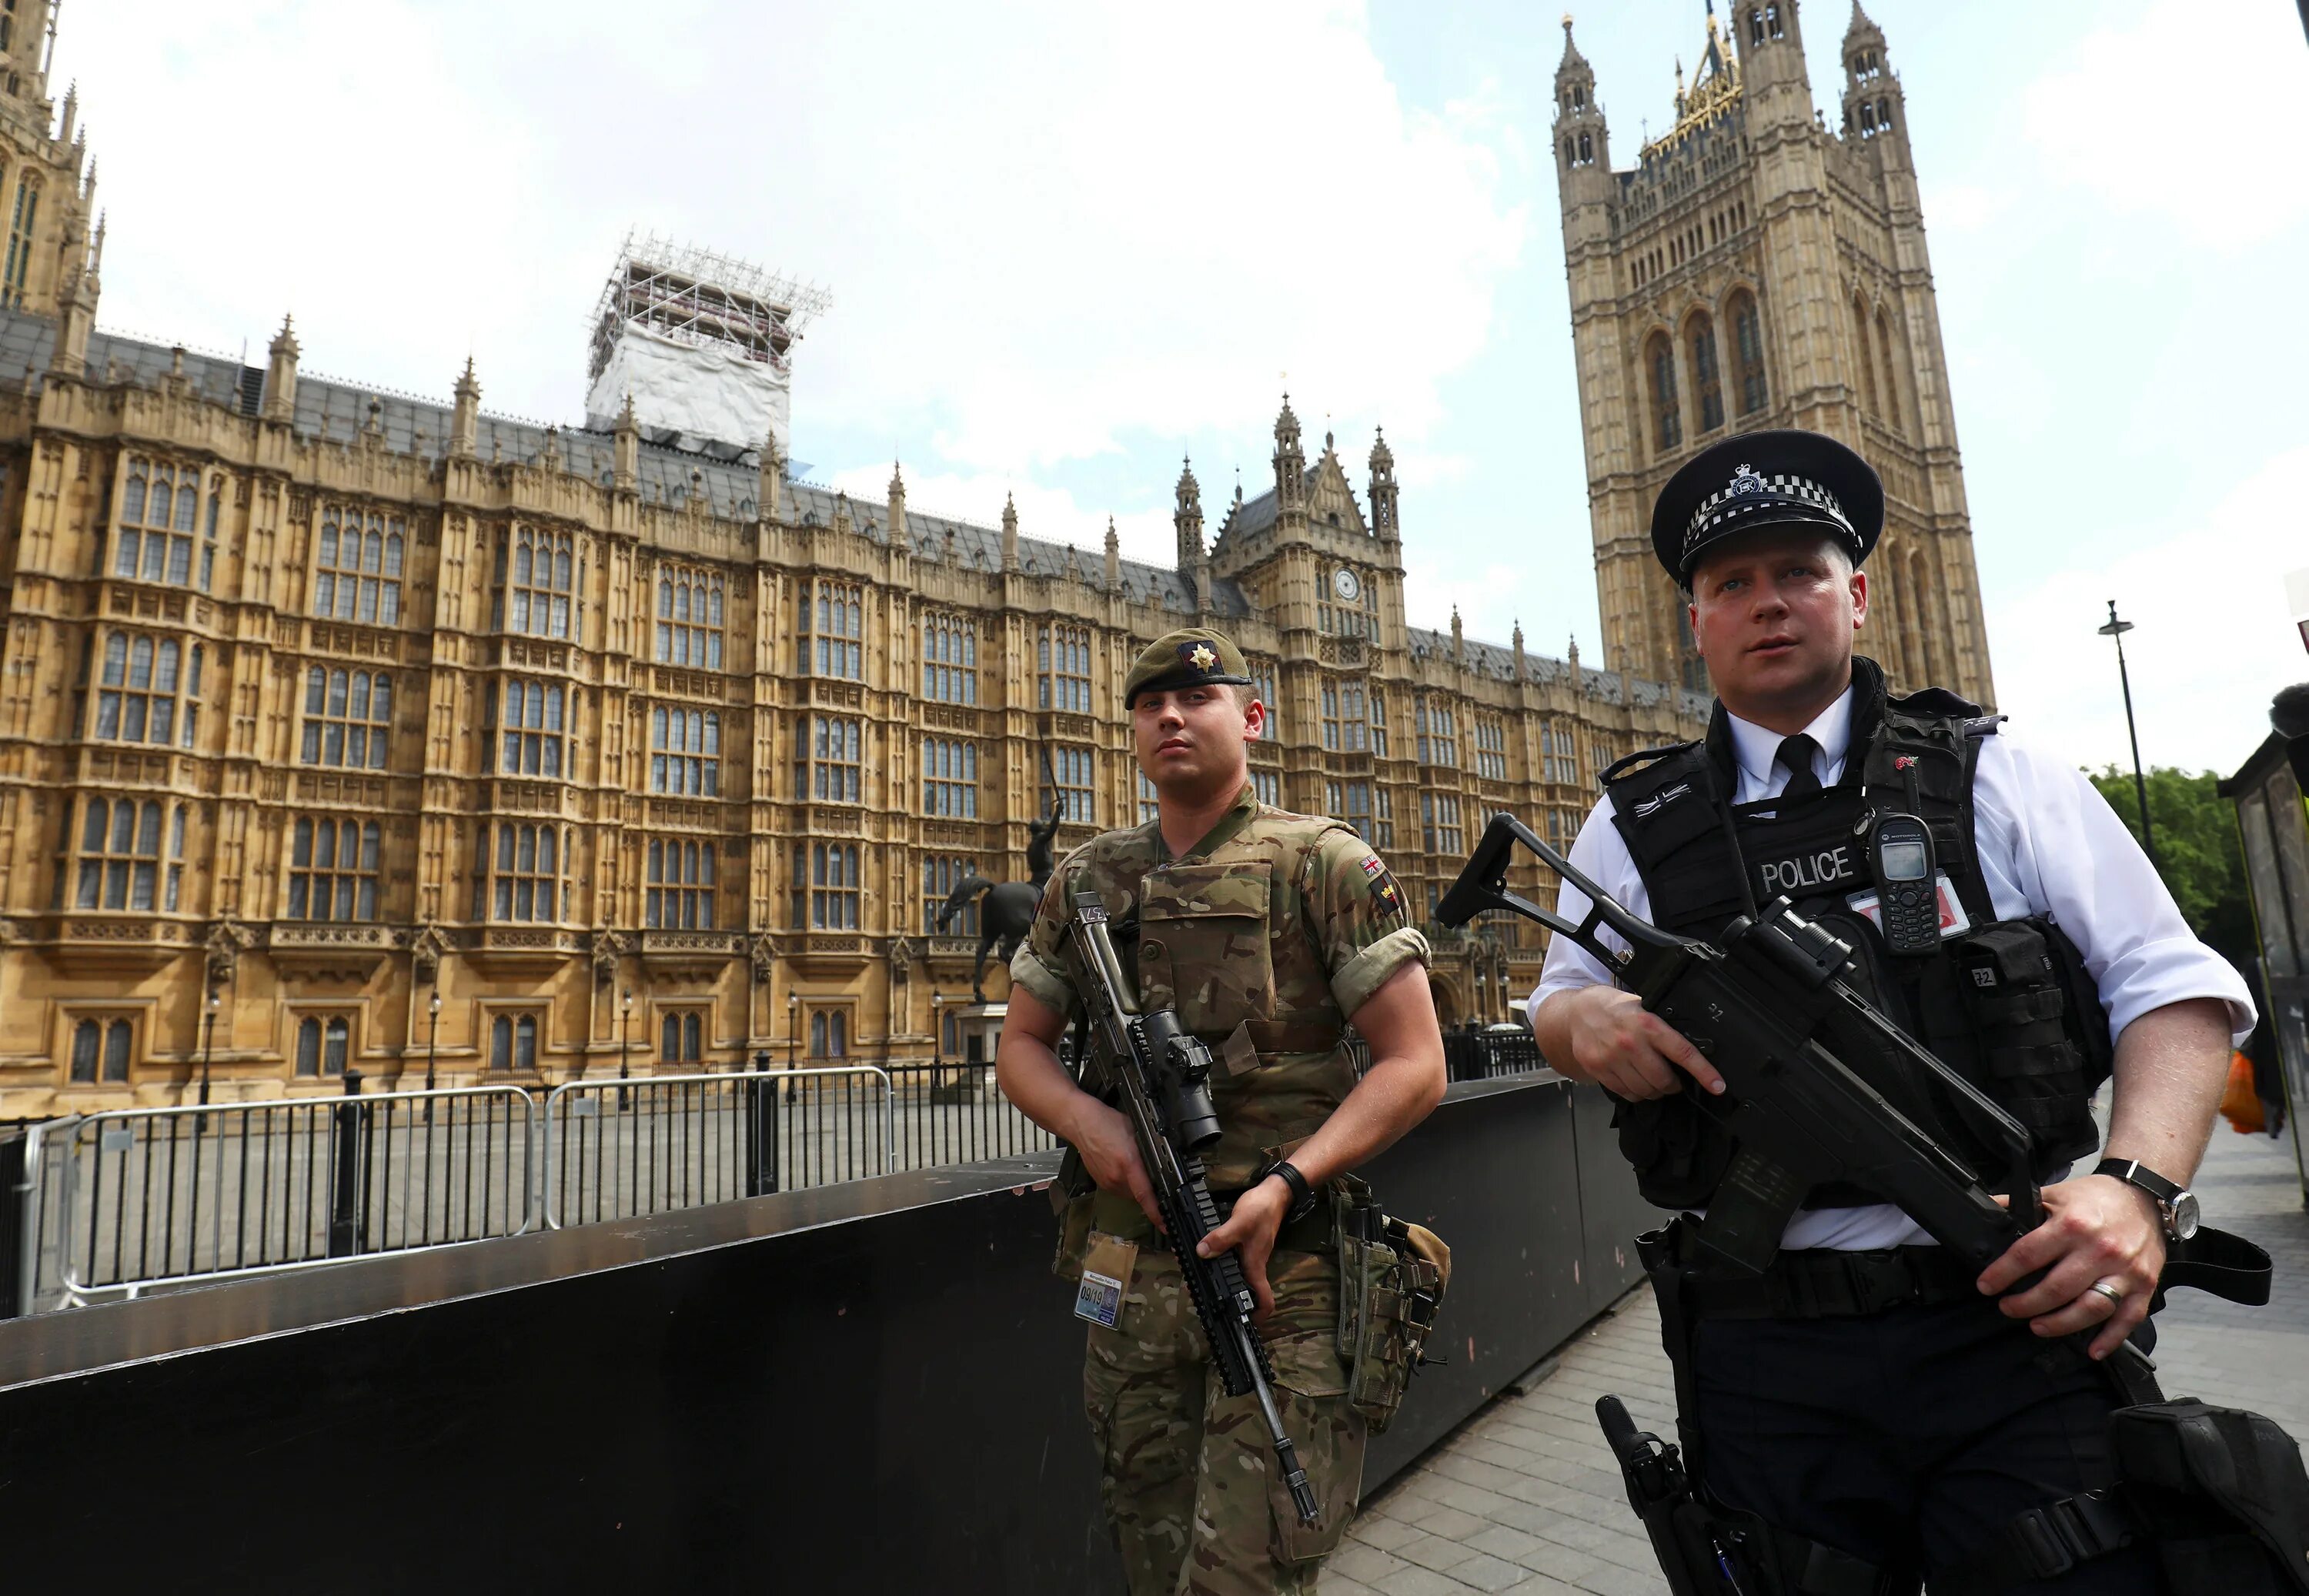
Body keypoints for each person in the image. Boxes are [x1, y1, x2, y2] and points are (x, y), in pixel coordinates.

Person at [1528, 429, 2254, 1592]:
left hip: (2013, 1321)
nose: (1768, 603)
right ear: (1694, 621)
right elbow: (1556, 1007)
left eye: (1799, 573)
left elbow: (2173, 986)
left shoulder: (1995, 773)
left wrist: (2140, 1190)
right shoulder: (1633, 825)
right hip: (1765, 1352)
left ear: (1856, 595)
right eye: (1732, 584)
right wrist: (1586, 1028)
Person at [997, 626, 1447, 1596]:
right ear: (1129, 735)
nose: (1170, 716)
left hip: (1286, 1282)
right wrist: (1094, 1126)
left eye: (1196, 700)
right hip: (1132, 1285)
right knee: (1150, 1562)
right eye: (1149, 705)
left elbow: (1417, 1064)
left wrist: (1289, 1182)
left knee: (1250, 1576)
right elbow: (1021, 1048)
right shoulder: (1086, 879)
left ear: (1251, 718)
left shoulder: (1323, 862)